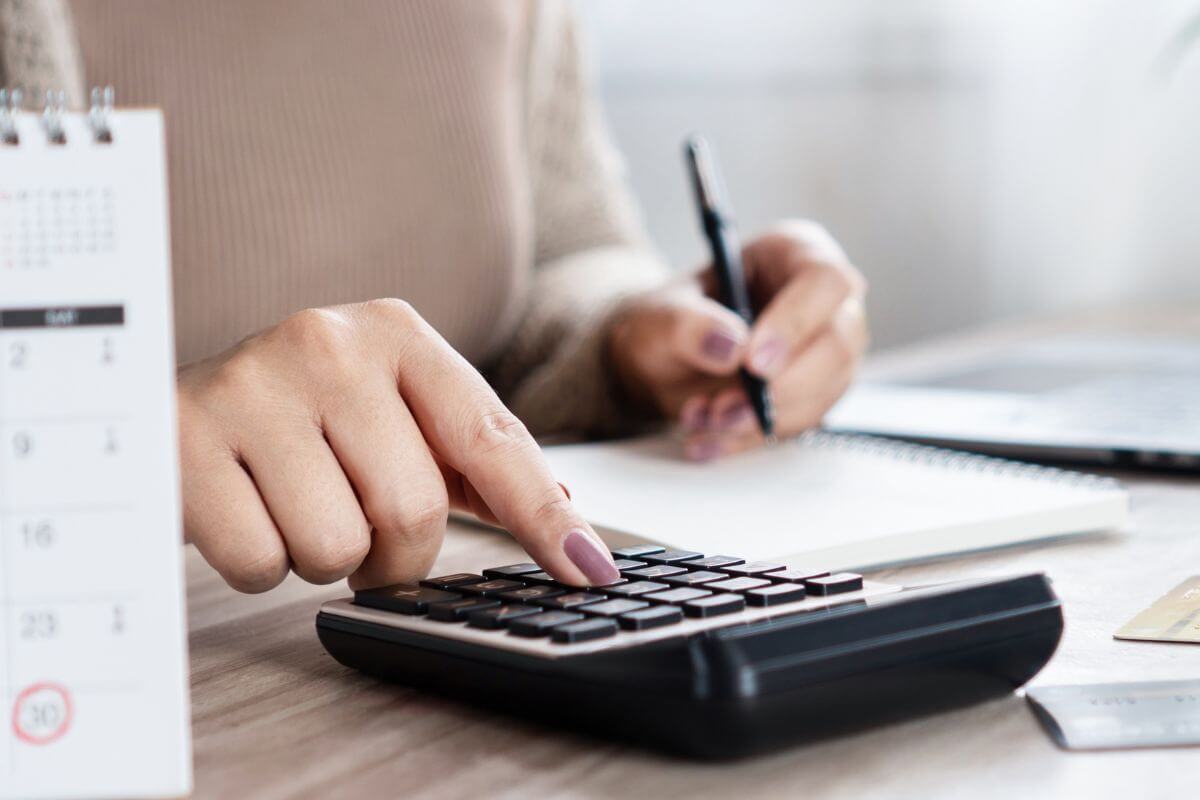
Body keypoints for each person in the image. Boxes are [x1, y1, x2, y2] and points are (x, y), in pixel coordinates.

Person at [1, 0, 867, 592]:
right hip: (155, 670)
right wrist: (112, 436)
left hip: (432, 617)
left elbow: (566, 247)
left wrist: (633, 334)